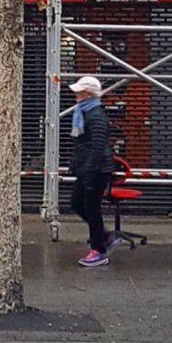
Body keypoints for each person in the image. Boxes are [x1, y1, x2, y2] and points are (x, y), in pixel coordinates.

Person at [68, 75, 116, 267]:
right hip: (88, 168)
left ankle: (99, 250)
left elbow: (96, 147)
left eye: (79, 91)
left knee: (91, 208)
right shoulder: (84, 113)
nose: (75, 94)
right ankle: (103, 236)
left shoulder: (95, 116)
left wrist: (89, 172)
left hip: (96, 170)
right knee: (78, 203)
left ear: (87, 93)